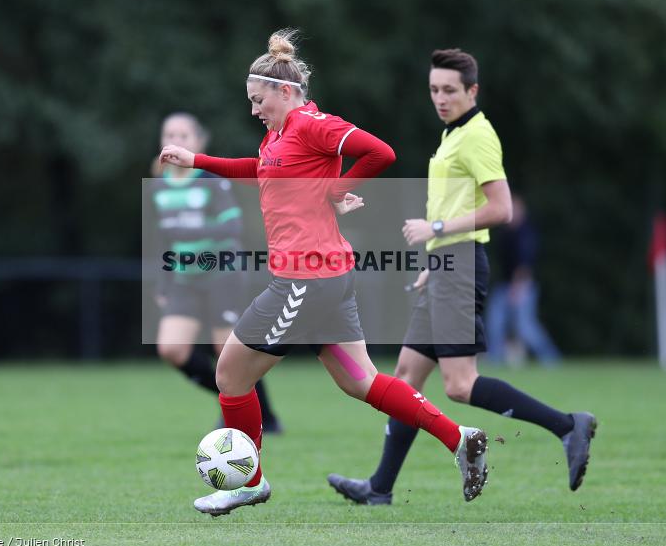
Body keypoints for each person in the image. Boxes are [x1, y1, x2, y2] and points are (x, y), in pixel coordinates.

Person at [158, 29, 489, 517]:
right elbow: (260, 169)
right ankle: (458, 438)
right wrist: (198, 160)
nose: (254, 110)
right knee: (362, 383)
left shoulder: (314, 125)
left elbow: (381, 152)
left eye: (258, 100)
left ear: (285, 92)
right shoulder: (277, 134)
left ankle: (248, 482)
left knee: (229, 373)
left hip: (304, 282)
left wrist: (337, 188)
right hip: (325, 281)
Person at [327, 48, 595, 506]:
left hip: (463, 263)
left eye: (450, 90)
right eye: (434, 89)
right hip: (447, 265)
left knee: (459, 384)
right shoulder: (452, 136)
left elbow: (502, 209)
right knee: (406, 379)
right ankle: (380, 488)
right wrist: (436, 259)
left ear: (473, 90)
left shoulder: (476, 136)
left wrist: (436, 231)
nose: (440, 97)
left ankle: (569, 426)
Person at [150, 112, 281, 432]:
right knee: (172, 349)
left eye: (183, 136)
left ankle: (255, 413)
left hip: (221, 273)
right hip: (183, 278)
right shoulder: (159, 185)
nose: (176, 141)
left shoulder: (210, 179)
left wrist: (190, 228)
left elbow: (232, 227)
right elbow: (163, 238)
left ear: (197, 142)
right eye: (170, 134)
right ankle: (234, 399)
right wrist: (162, 282)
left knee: (227, 354)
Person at [485, 194, 562, 366]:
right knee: (494, 323)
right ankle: (494, 360)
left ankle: (551, 359)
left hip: (522, 285)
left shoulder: (526, 234)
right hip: (504, 285)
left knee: (525, 327)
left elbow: (525, 264)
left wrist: (517, 288)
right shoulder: (504, 233)